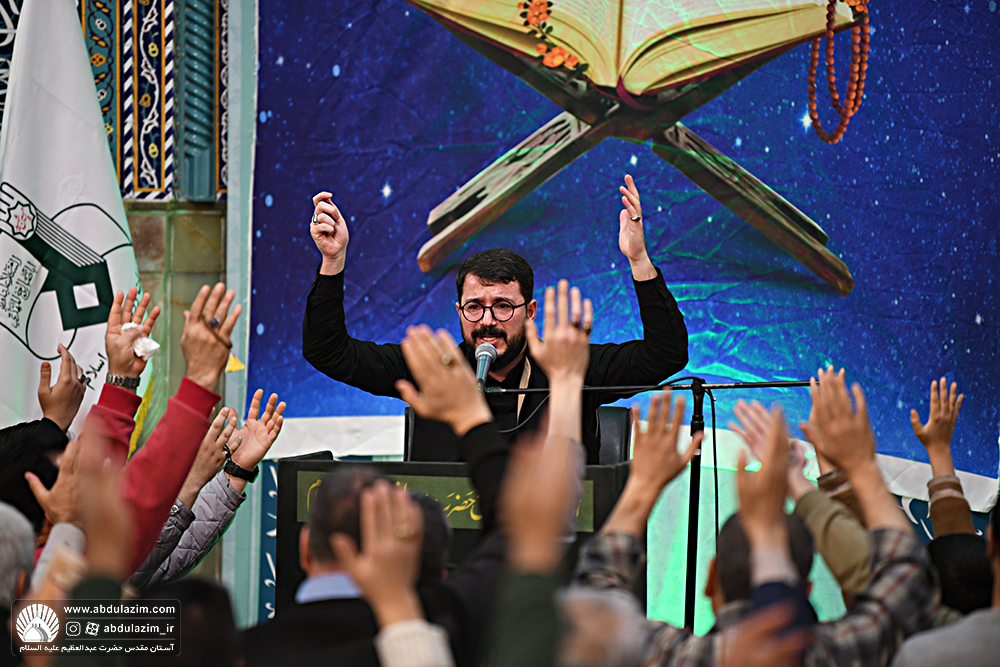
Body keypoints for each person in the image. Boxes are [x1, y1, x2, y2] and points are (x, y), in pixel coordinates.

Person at [302, 174, 688, 463]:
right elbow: (328, 351)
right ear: (459, 312)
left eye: (503, 306)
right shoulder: (434, 371)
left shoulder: (569, 369)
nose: (487, 321)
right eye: (474, 307)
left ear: (530, 312)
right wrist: (333, 262)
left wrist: (639, 261)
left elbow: (666, 354)